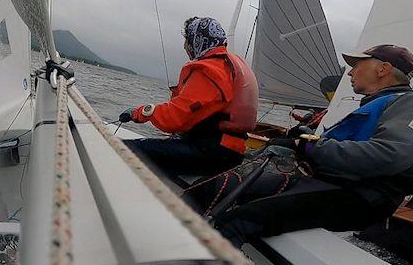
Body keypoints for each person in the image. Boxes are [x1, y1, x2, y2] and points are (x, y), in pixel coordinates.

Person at [202, 44, 413, 248]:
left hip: (358, 198)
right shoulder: (385, 102)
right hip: (330, 184)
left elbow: (391, 155)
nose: (350, 73)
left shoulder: (407, 103)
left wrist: (310, 147)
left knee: (238, 221)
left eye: (357, 65)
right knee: (215, 187)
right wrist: (306, 137)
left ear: (383, 69)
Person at [119, 17, 258, 180]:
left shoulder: (212, 70)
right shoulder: (230, 65)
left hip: (213, 152)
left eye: (187, 40)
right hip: (229, 152)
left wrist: (140, 113)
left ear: (197, 40)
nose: (185, 47)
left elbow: (175, 117)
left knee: (123, 150)